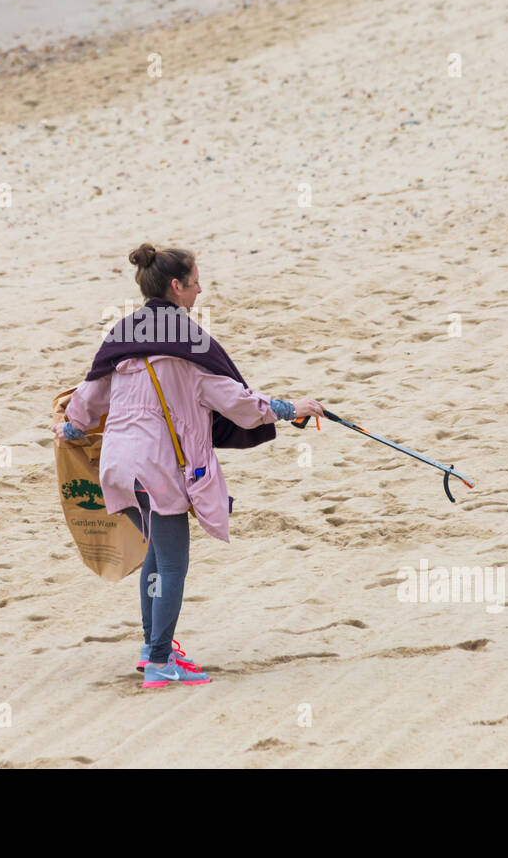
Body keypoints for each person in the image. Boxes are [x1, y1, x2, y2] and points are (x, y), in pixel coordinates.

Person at [52, 244, 323, 689]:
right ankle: (160, 662)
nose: (200, 289)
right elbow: (237, 401)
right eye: (195, 281)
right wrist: (291, 407)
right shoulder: (189, 345)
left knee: (155, 557)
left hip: (119, 467)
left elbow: (85, 402)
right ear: (176, 287)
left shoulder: (122, 337)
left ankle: (150, 650)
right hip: (157, 469)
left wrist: (71, 432)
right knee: (173, 563)